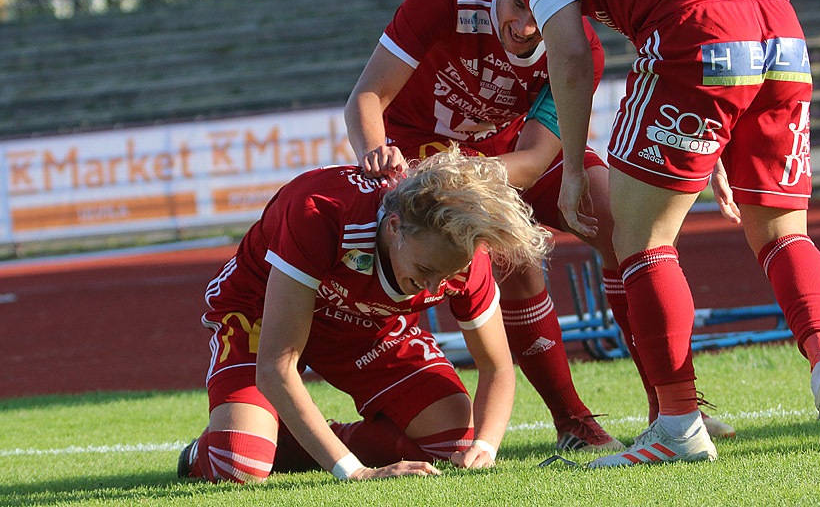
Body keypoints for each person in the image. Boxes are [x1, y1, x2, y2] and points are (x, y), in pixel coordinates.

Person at [472, 0, 820, 467]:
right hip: (778, 30)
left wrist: (567, 168)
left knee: (640, 240)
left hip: (695, 36)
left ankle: (679, 424)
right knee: (784, 234)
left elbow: (568, 51)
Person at [343, 0, 733, 451]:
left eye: (541, 14)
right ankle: (573, 422)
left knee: (620, 221)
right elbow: (366, 97)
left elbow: (530, 162)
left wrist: (468, 172)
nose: (525, 27)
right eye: (517, 4)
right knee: (511, 259)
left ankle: (671, 409)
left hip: (512, 153)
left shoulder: (577, 47)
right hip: (423, 153)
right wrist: (377, 157)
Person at [176, 147, 552, 483]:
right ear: (393, 228)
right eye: (425, 269)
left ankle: (294, 442)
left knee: (454, 442)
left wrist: (485, 446)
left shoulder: (468, 258)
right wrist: (354, 470)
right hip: (263, 312)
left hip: (370, 329)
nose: (431, 287)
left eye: (447, 275)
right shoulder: (323, 211)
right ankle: (204, 451)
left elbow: (497, 366)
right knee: (239, 462)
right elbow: (277, 365)